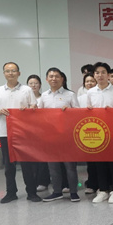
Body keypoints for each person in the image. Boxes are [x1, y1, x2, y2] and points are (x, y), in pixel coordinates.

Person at [0, 62, 39, 203]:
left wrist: (29, 109)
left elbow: (34, 107)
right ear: (4, 73)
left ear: (19, 73)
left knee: (26, 164)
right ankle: (11, 192)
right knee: (8, 164)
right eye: (7, 71)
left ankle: (32, 192)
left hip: (24, 133)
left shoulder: (27, 90)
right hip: (5, 132)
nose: (10, 73)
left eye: (13, 70)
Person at [38, 67, 80, 202]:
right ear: (46, 79)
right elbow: (38, 114)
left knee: (70, 166)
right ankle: (57, 191)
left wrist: (70, 112)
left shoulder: (70, 95)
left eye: (56, 76)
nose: (54, 79)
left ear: (62, 79)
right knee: (53, 166)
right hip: (50, 137)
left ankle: (74, 192)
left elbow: (79, 114)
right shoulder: (44, 96)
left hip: (67, 136)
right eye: (51, 76)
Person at [86, 62, 113, 204]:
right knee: (99, 162)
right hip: (97, 133)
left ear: (108, 75)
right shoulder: (90, 92)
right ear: (94, 75)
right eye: (97, 73)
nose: (100, 75)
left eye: (103, 72)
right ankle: (102, 190)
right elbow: (87, 112)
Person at [27, 74, 51, 193]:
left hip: (43, 132)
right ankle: (34, 181)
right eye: (31, 83)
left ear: (40, 85)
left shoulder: (44, 97)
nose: (33, 85)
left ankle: (43, 181)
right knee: (32, 158)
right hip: (29, 133)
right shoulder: (25, 99)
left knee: (43, 158)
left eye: (36, 83)